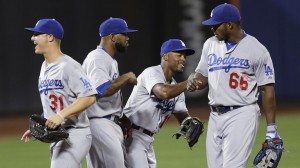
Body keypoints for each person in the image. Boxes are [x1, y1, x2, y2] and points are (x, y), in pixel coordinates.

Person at [187, 3, 282, 168]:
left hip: (242, 114)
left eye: (216, 25)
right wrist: (194, 79)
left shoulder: (256, 49)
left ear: (229, 25)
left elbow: (267, 89)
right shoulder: (210, 44)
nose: (212, 28)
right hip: (215, 116)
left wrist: (271, 129)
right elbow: (202, 74)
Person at [21, 18, 97, 168]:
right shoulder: (44, 67)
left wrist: (60, 116)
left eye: (37, 34)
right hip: (60, 134)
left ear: (50, 37)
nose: (32, 38)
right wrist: (43, 122)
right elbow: (55, 103)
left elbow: (89, 97)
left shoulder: (68, 66)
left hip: (76, 133)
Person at [123, 39, 195, 168]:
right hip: (132, 135)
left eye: (185, 56)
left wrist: (190, 123)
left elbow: (182, 116)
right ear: (166, 56)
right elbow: (163, 92)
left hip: (148, 140)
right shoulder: (151, 72)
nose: (183, 59)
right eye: (179, 54)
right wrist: (187, 83)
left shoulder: (176, 88)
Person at [82, 17, 138, 168]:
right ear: (112, 37)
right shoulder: (97, 58)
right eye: (124, 34)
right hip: (99, 123)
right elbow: (102, 90)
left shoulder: (109, 60)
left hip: (108, 123)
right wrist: (126, 77)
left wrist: (122, 117)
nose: (128, 38)